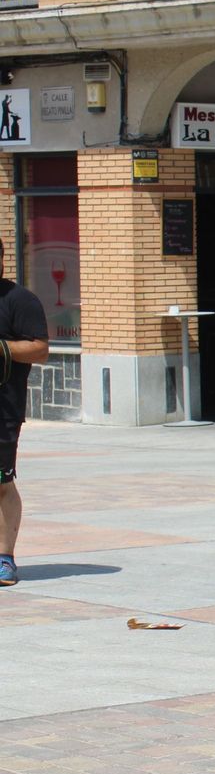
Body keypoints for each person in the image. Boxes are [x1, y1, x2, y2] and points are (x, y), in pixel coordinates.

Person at [0, 242, 49, 587]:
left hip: (3, 409)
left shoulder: (20, 300)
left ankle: (4, 558)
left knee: (0, 483)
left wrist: (1, 347)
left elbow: (40, 349)